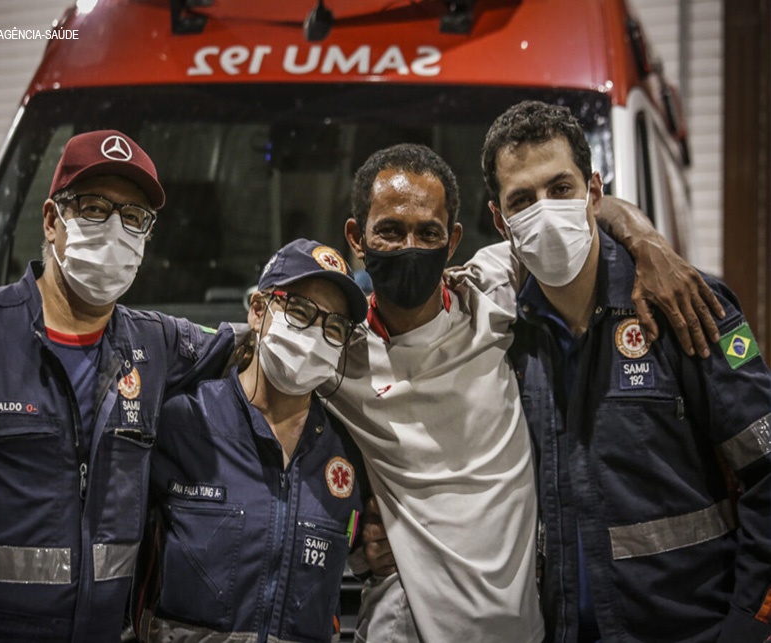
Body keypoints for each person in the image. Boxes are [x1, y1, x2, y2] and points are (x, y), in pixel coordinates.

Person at [322, 142, 726, 642]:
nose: (410, 247)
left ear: (452, 242)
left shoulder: (493, 292)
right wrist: (358, 533)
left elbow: (584, 207)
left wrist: (648, 242)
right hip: (401, 630)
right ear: (356, 238)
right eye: (389, 230)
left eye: (427, 232)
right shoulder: (331, 356)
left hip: (525, 630)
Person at [0, 130, 235, 642]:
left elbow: (255, 347)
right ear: (51, 220)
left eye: (133, 218)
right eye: (93, 207)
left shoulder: (155, 344)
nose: (114, 230)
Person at [476, 99, 771, 641]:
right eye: (522, 199)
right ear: (500, 220)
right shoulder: (499, 334)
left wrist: (750, 623)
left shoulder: (683, 304)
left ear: (593, 192)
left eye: (560, 188)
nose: (543, 209)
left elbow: (767, 469)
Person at [135, 239, 371, 643]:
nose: (315, 335)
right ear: (259, 311)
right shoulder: (185, 424)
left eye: (333, 327)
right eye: (299, 311)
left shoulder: (346, 454)